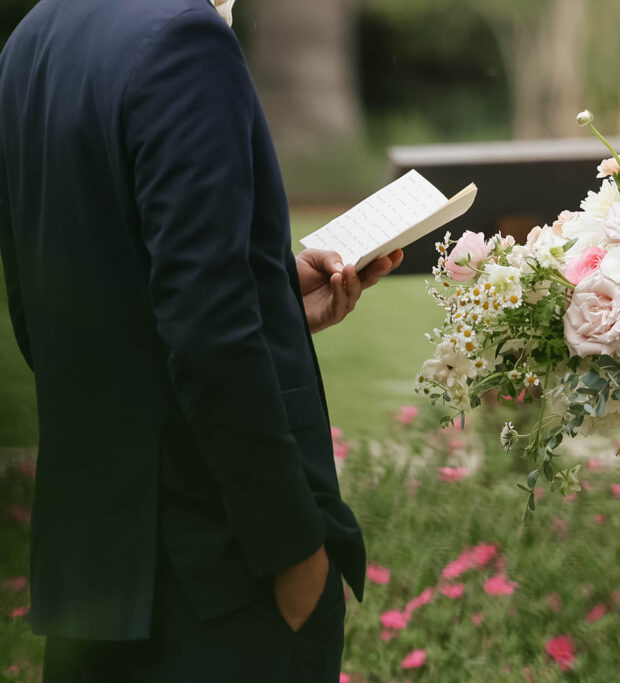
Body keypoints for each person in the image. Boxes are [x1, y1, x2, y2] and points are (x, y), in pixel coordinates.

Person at [0, 0, 402, 680]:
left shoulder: (32, 39)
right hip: (215, 574)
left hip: (91, 578)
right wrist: (294, 554)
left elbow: (48, 315)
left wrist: (271, 302)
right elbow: (210, 337)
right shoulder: (184, 40)